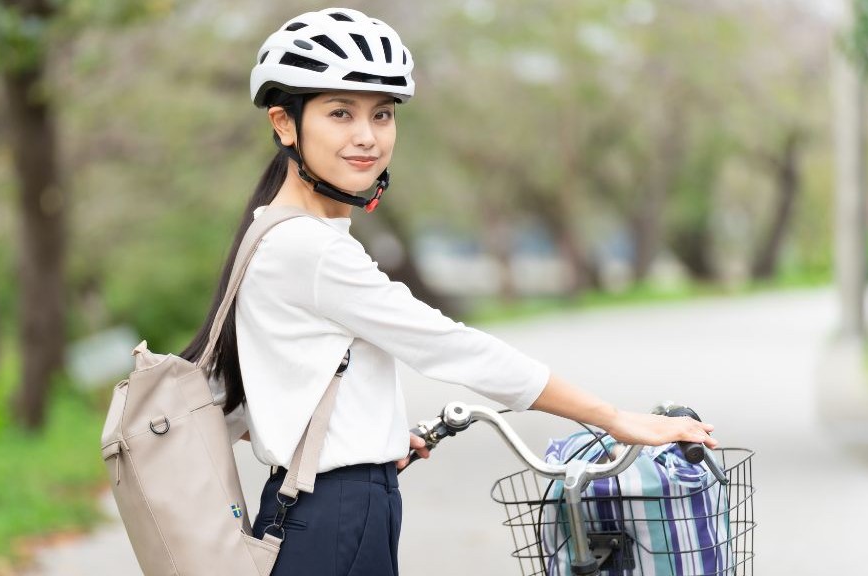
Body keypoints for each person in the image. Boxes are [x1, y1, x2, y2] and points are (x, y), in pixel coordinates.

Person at [181, 7, 716, 576]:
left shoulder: (274, 231)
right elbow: (453, 347)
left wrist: (373, 442)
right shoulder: (311, 249)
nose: (367, 136)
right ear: (285, 124)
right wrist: (614, 419)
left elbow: (277, 380)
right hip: (335, 516)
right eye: (340, 113)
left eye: (382, 115)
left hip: (318, 506)